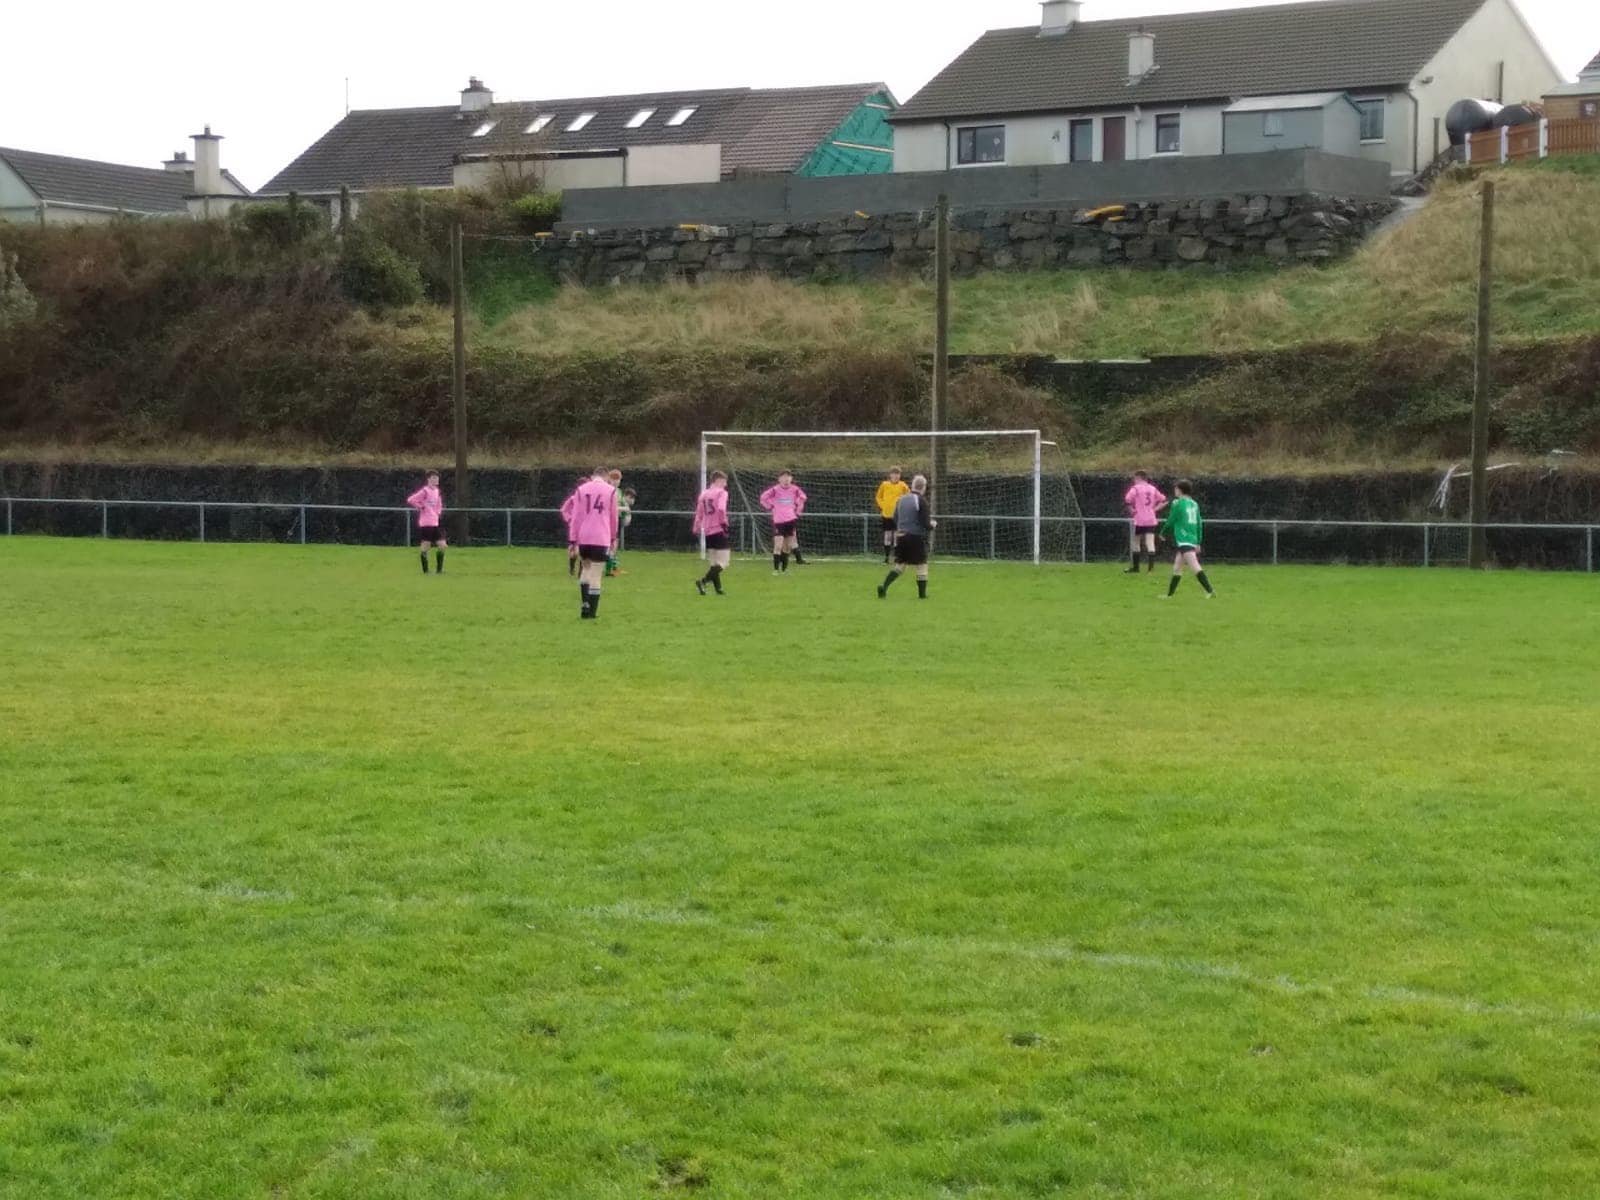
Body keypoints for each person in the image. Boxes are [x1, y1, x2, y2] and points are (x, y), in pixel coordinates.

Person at [570, 468, 619, 619]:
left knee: (585, 568)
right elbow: (613, 517)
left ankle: (585, 603)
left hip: (584, 537)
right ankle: (592, 613)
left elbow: (575, 517)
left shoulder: (581, 489)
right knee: (596, 575)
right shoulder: (611, 491)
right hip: (601, 537)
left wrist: (573, 540)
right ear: (606, 477)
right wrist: (613, 538)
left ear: (592, 476)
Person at [878, 474, 935, 600]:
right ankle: (922, 595)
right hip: (915, 537)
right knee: (922, 565)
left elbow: (894, 517)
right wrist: (933, 525)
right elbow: (925, 523)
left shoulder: (901, 499)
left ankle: (884, 586)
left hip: (901, 536)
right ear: (924, 487)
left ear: (912, 486)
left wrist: (902, 528)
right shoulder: (921, 501)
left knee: (900, 565)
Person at [1159, 480, 1215, 599]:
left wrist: (1163, 532)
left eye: (1176, 489)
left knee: (1194, 565)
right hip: (1191, 538)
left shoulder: (1178, 503)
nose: (1174, 491)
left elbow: (1171, 519)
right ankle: (1169, 595)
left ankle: (1210, 591)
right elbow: (1199, 523)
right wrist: (1198, 541)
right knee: (1177, 568)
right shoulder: (1194, 504)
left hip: (1183, 538)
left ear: (1180, 490)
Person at [759, 470, 808, 572]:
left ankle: (784, 570)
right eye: (784, 477)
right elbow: (763, 498)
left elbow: (803, 497)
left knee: (788, 547)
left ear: (791, 479)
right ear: (779, 479)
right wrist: (770, 506)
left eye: (788, 477)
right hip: (779, 521)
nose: (786, 479)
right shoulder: (775, 490)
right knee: (778, 545)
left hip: (791, 520)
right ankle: (775, 570)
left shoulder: (795, 489)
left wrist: (798, 508)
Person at [693, 471, 731, 595]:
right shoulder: (722, 493)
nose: (725, 485)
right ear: (718, 480)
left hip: (708, 530)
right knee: (724, 562)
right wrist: (724, 523)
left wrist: (696, 526)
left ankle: (718, 589)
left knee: (714, 562)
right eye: (724, 481)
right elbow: (721, 509)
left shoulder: (704, 494)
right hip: (718, 529)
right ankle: (703, 581)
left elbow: (699, 512)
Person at [1123, 471, 1168, 574]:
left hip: (1139, 519)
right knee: (1150, 542)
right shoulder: (1153, 488)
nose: (1134, 481)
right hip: (1151, 519)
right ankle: (1150, 570)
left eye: (1135, 479)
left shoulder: (1135, 488)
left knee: (1136, 542)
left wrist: (1131, 509)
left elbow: (1127, 499)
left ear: (1139, 478)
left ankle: (1136, 568)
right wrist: (1155, 509)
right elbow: (1164, 500)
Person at [406, 470, 447, 575]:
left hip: (435, 522)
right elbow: (411, 500)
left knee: (442, 545)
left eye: (437, 478)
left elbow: (439, 503)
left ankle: (439, 570)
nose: (436, 480)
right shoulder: (425, 491)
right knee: (426, 545)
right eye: (433, 478)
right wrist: (421, 507)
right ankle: (426, 571)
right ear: (428, 479)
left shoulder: (437, 491)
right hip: (426, 523)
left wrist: (438, 512)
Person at [874, 466, 909, 564]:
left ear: (900, 476)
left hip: (898, 515)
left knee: (897, 536)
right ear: (890, 475)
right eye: (894, 474)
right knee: (888, 536)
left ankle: (897, 557)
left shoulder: (903, 485)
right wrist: (883, 505)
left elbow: (909, 496)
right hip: (887, 515)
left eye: (898, 474)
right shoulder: (884, 485)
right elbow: (878, 497)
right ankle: (886, 558)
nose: (896, 476)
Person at [559, 473, 587, 576]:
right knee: (574, 550)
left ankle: (581, 571)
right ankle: (572, 567)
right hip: (575, 527)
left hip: (586, 527)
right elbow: (564, 510)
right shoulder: (573, 498)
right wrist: (570, 519)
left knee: (584, 549)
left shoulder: (589, 499)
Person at [606, 484, 635, 577]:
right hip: (612, 522)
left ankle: (614, 568)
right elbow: (613, 508)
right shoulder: (613, 493)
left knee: (615, 545)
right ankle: (609, 570)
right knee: (612, 546)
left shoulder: (619, 493)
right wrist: (624, 509)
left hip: (617, 522)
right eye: (631, 497)